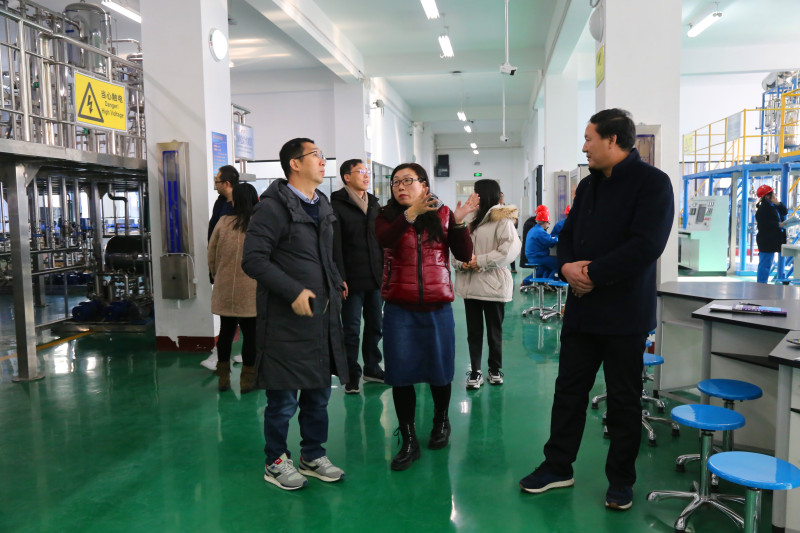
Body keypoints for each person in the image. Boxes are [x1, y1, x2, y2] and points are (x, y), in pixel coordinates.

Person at [518, 108, 674, 511]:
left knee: (623, 399)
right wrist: (567, 267)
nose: (584, 147)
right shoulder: (588, 186)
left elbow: (646, 245)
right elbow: (568, 235)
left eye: (589, 138)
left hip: (625, 313)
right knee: (568, 391)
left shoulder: (653, 184)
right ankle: (557, 466)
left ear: (613, 140)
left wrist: (592, 274)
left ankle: (621, 480)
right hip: (583, 309)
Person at [242, 138, 349, 491]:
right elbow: (253, 260)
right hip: (285, 321)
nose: (323, 160)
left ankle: (312, 455)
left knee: (318, 394)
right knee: (284, 398)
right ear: (295, 163)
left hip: (321, 318)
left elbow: (324, 255)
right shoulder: (272, 208)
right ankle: (275, 460)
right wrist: (293, 290)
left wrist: (336, 280)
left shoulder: (322, 204)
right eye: (316, 155)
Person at [375, 163, 478, 471]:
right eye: (395, 182)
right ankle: (408, 438)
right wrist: (410, 214)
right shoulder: (386, 216)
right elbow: (385, 240)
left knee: (440, 370)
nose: (400, 186)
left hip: (437, 306)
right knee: (400, 374)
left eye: (408, 180)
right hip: (399, 307)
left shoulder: (443, 214)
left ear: (424, 184)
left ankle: (441, 421)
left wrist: (458, 223)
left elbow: (463, 254)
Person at [453, 179, 521, 390]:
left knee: (494, 332)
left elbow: (509, 250)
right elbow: (454, 246)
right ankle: (475, 371)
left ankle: (494, 369)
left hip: (493, 285)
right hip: (471, 285)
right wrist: (461, 263)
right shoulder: (468, 218)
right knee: (473, 333)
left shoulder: (502, 220)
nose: (473, 196)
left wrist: (480, 261)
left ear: (485, 195)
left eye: (476, 192)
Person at [331, 159, 385, 394]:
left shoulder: (374, 204)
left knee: (375, 326)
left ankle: (372, 368)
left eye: (367, 171)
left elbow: (380, 241)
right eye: (360, 171)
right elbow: (335, 245)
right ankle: (351, 375)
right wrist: (339, 277)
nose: (366, 175)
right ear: (347, 177)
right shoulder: (336, 204)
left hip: (375, 277)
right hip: (351, 280)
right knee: (351, 330)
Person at [208, 183, 259, 393]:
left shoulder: (223, 222)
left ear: (235, 200)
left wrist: (216, 275)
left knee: (226, 332)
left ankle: (223, 378)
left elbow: (211, 253)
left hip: (225, 286)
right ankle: (247, 379)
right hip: (252, 288)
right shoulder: (259, 224)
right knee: (251, 335)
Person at [202, 164, 242, 371]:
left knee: (236, 315)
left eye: (217, 181)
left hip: (239, 269)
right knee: (230, 314)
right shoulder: (220, 203)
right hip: (222, 266)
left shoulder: (241, 205)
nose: (215, 185)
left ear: (226, 183)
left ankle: (221, 357)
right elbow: (213, 236)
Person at [755, 184, 788, 283]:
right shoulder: (762, 208)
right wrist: (778, 224)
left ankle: (763, 284)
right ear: (767, 196)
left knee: (767, 263)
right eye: (773, 194)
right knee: (765, 264)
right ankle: (761, 285)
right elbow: (763, 224)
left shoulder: (774, 206)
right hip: (766, 241)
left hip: (774, 239)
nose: (775, 195)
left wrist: (778, 203)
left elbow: (785, 212)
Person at [522, 205, 558, 283]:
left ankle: (525, 282)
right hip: (538, 257)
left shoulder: (534, 229)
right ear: (545, 222)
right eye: (548, 223)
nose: (548, 225)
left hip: (531, 257)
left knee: (542, 269)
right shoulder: (540, 232)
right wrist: (557, 238)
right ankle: (551, 283)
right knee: (559, 263)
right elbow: (551, 242)